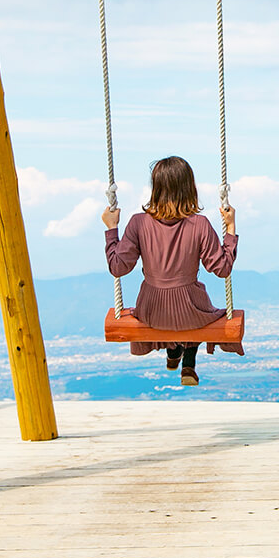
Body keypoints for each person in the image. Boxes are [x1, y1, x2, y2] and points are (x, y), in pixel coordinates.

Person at [103, 156, 241, 386]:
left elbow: (118, 267)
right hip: (190, 310)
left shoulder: (138, 223)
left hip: (152, 310)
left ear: (155, 188)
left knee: (181, 308)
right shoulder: (199, 224)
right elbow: (222, 268)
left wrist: (111, 228)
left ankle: (173, 351)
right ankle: (188, 362)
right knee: (201, 308)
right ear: (189, 188)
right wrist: (231, 227)